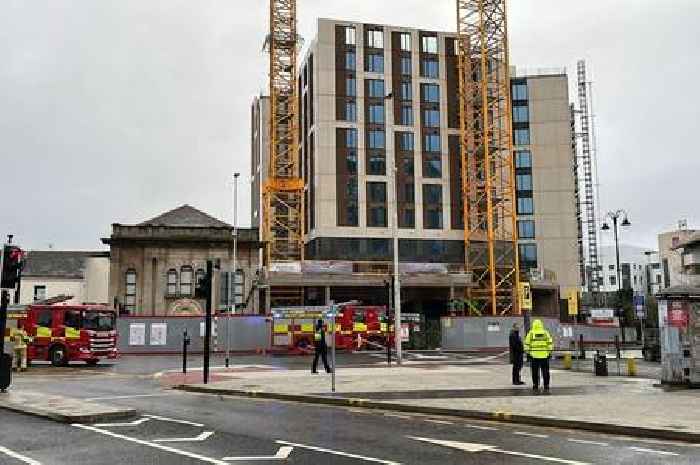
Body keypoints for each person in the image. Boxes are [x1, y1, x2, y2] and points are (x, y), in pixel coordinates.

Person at [524, 319, 553, 394]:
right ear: (541, 325)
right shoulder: (545, 333)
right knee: (545, 371)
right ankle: (546, 385)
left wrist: (528, 353)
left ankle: (535, 384)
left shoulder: (531, 333)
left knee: (535, 372)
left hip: (534, 356)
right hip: (544, 356)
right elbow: (550, 343)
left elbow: (526, 344)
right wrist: (549, 352)